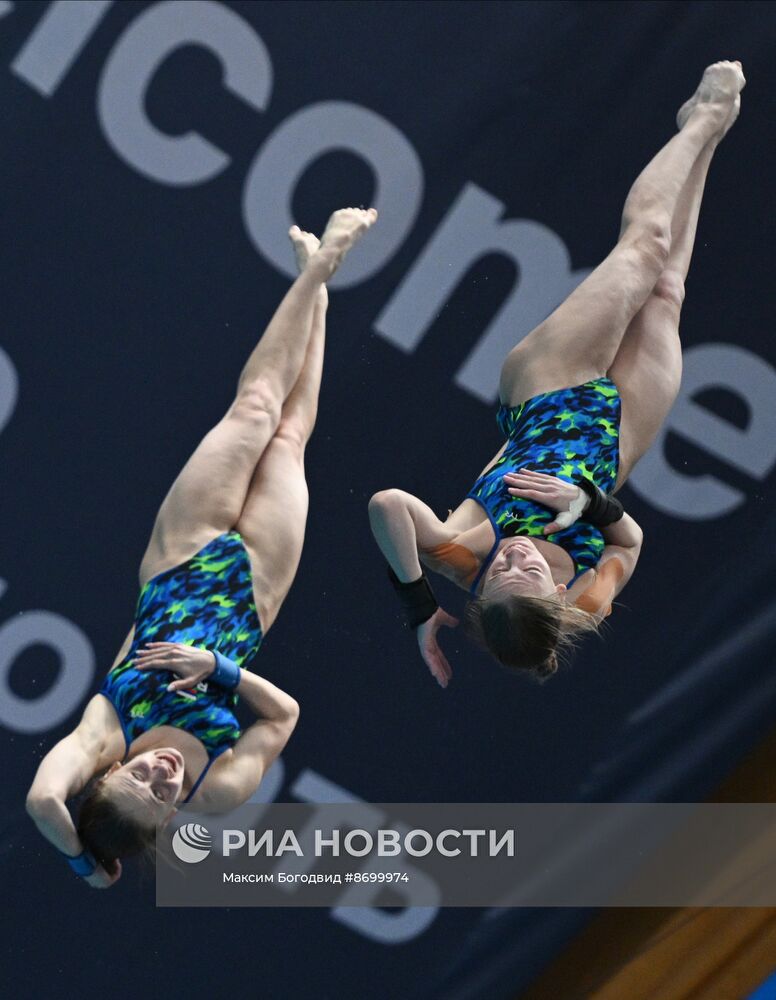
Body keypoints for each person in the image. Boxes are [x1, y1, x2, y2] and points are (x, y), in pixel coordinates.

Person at [26, 207, 378, 887]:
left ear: (112, 770)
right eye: (160, 795)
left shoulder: (103, 735)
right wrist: (217, 668)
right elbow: (283, 716)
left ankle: (326, 262)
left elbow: (43, 800)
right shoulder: (216, 790)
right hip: (254, 591)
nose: (159, 774)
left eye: (139, 778)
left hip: (179, 559)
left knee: (254, 408)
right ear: (169, 821)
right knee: (290, 434)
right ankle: (318, 281)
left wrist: (88, 866)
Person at [369, 61, 745, 687]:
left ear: (479, 596)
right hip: (620, 430)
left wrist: (416, 602)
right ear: (556, 598)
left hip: (548, 390)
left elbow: (388, 506)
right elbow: (629, 545)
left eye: (501, 575)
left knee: (646, 247)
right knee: (668, 290)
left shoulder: (464, 556)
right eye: (529, 571)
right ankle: (705, 136)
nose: (513, 559)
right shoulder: (585, 602)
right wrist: (591, 503)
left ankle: (704, 115)